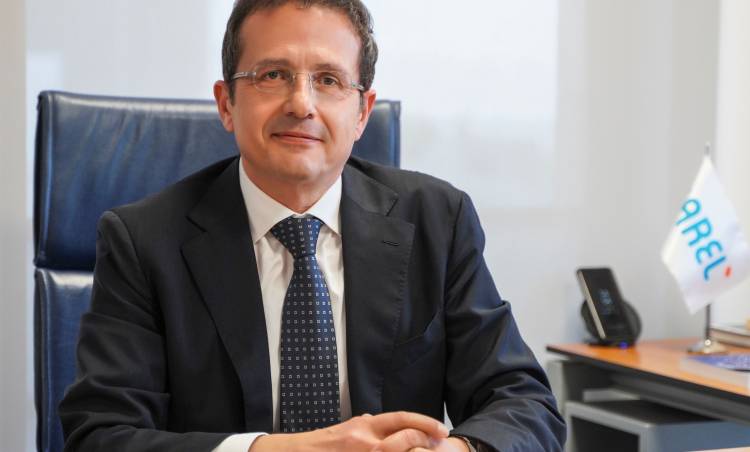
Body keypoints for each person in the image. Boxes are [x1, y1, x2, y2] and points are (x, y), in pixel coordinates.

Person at [59, 1, 566, 451]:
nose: (301, 104)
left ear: (362, 113)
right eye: (273, 74)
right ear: (226, 103)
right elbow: (101, 436)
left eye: (328, 80)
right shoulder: (143, 241)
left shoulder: (437, 221)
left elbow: (524, 404)